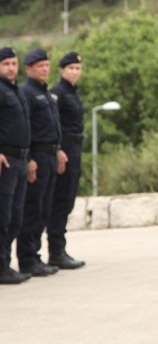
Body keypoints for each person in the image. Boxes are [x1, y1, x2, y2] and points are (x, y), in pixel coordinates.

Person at [18, 48, 67, 277]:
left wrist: (58, 150)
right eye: (40, 66)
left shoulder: (45, 92)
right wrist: (29, 159)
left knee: (44, 209)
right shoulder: (27, 92)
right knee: (33, 208)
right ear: (29, 68)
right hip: (37, 155)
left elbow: (51, 126)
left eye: (47, 65)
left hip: (50, 154)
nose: (45, 69)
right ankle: (27, 258)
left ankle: (35, 255)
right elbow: (26, 128)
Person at [47, 52, 85, 269]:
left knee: (68, 200)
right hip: (65, 148)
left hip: (75, 147)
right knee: (60, 201)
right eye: (71, 68)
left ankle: (59, 249)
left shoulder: (72, 92)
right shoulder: (58, 93)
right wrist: (58, 149)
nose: (75, 72)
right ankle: (56, 251)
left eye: (78, 68)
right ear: (62, 70)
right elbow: (53, 124)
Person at [0, 47, 32, 284]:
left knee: (15, 217)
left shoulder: (16, 90)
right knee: (3, 216)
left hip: (21, 159)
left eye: (13, 63)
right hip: (6, 160)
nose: (11, 68)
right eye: (6, 64)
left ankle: (5, 264)